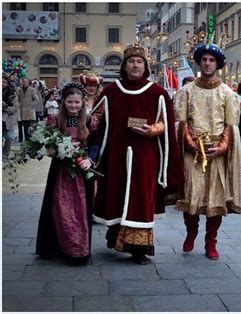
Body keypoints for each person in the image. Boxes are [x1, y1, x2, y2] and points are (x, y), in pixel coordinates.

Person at [91, 44, 183, 265]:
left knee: (141, 199)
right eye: (131, 61)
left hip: (145, 157)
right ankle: (116, 236)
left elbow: (166, 125)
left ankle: (139, 248)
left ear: (145, 67)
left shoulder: (157, 93)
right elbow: (95, 121)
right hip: (116, 155)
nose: (135, 65)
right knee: (118, 194)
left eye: (139, 62)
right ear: (124, 66)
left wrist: (152, 130)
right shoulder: (111, 92)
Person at [174, 43, 241, 260]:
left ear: (217, 64)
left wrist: (221, 147)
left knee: (216, 198)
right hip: (192, 151)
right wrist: (191, 144)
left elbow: (231, 126)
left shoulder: (228, 94)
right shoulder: (185, 92)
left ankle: (211, 240)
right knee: (190, 195)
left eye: (211, 60)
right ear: (199, 62)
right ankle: (191, 232)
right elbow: (181, 123)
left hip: (216, 153)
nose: (207, 63)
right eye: (204, 59)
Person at [36, 82, 99, 266]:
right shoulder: (55, 121)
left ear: (82, 103)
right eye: (70, 102)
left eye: (77, 103)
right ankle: (55, 246)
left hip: (82, 169)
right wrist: (50, 148)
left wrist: (91, 159)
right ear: (64, 102)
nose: (73, 106)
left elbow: (96, 144)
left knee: (81, 210)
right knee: (58, 208)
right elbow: (49, 143)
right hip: (60, 171)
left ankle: (78, 249)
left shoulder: (90, 120)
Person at [2, 74, 19, 162]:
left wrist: (5, 108)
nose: (2, 84)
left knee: (9, 137)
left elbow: (15, 107)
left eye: (4, 82)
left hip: (8, 120)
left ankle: (5, 155)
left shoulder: (12, 94)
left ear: (7, 83)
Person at [18, 77, 39, 142]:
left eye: (26, 82)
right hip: (23, 112)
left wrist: (31, 105)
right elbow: (19, 99)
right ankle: (26, 141)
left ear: (28, 82)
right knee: (25, 128)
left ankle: (32, 141)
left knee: (31, 128)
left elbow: (37, 100)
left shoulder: (31, 89)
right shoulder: (20, 90)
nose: (24, 83)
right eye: (23, 82)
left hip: (30, 111)